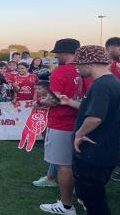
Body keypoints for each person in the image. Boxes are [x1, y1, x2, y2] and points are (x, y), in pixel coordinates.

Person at [61, 45, 120, 214]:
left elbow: (95, 117)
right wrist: (69, 102)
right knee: (94, 197)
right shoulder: (113, 82)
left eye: (78, 64)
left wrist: (79, 134)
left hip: (94, 152)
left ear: (89, 63)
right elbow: (93, 108)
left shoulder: (101, 85)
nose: (76, 67)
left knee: (93, 200)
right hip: (107, 150)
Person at [39, 38, 83, 214]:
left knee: (64, 165)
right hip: (82, 123)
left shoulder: (61, 71)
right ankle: (81, 196)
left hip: (62, 123)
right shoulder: (88, 71)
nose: (56, 56)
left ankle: (66, 205)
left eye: (57, 53)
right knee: (76, 163)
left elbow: (55, 100)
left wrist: (40, 101)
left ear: (64, 53)